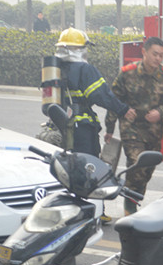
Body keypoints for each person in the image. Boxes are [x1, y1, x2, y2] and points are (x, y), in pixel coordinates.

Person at [54, 27, 137, 222]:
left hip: (60, 126)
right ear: (79, 49)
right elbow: (101, 95)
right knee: (90, 168)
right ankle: (96, 212)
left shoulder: (55, 68)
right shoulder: (85, 69)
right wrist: (123, 109)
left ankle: (71, 209)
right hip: (82, 129)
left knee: (67, 168)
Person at [105, 37, 163, 216]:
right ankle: (129, 211)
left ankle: (134, 200)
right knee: (137, 163)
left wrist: (161, 112)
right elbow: (114, 100)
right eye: (155, 54)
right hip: (131, 128)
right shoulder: (127, 74)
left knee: (147, 169)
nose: (158, 58)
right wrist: (110, 127)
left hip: (153, 131)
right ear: (144, 52)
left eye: (161, 55)